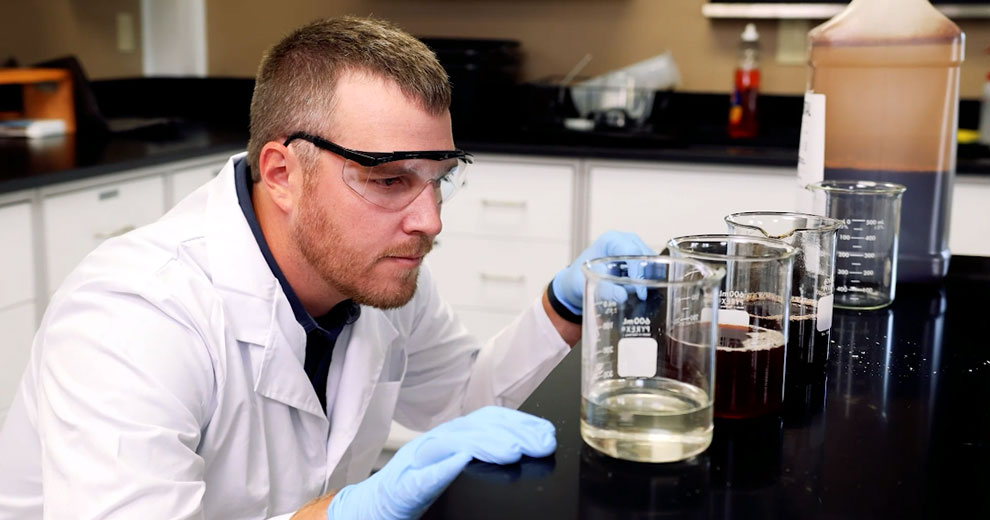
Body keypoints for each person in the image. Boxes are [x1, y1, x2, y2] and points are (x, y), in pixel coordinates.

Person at [0, 16, 654, 520]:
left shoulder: (373, 277)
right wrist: (350, 510)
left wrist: (563, 309)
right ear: (282, 173)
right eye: (391, 178)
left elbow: (460, 407)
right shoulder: (133, 316)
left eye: (439, 180)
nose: (430, 221)